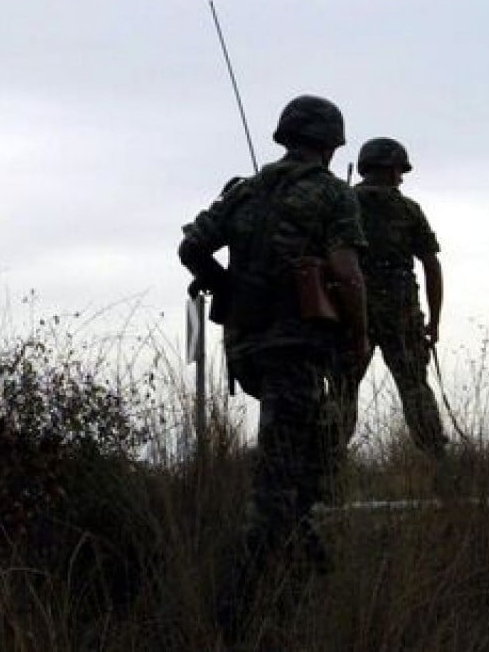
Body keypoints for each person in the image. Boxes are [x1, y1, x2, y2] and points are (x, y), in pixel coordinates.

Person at [178, 94, 370, 636]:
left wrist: (231, 291)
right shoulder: (333, 195)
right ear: (331, 144)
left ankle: (312, 580)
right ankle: (237, 614)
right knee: (278, 487)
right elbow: (347, 272)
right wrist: (359, 334)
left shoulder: (244, 191)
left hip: (250, 352)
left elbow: (192, 247)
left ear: (285, 136)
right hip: (298, 352)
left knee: (305, 470)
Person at [347, 137, 448, 463]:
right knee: (415, 387)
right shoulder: (408, 210)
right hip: (401, 311)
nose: (401, 177)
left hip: (352, 308)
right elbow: (431, 265)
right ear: (390, 169)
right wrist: (434, 320)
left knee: (342, 387)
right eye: (399, 170)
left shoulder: (344, 202)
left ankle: (326, 467)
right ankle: (438, 463)